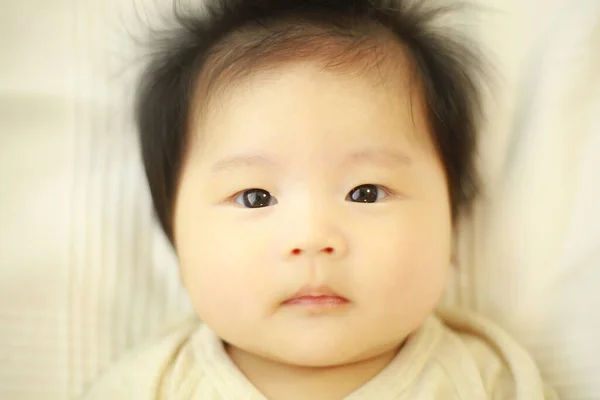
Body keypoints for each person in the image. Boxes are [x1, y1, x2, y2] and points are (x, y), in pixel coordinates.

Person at [82, 0, 557, 398]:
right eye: (254, 197)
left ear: (451, 222)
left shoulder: (489, 381)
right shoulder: (150, 386)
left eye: (366, 193)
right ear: (175, 237)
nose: (312, 238)